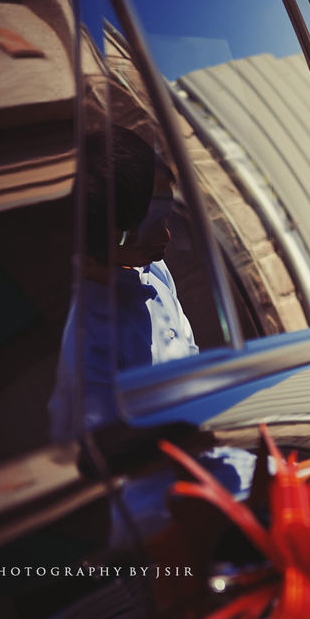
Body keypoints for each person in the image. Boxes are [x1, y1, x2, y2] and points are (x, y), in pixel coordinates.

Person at [49, 126, 197, 439]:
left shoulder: (154, 270)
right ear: (94, 242)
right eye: (145, 229)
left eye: (166, 216)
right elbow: (116, 455)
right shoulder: (91, 342)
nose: (165, 236)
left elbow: (190, 357)